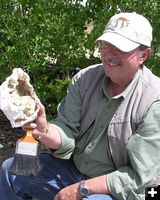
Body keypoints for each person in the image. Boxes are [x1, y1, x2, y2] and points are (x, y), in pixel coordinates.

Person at [1, 11, 160, 200]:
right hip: (74, 170)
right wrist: (44, 130)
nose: (109, 54)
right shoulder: (85, 79)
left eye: (121, 48)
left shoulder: (154, 100)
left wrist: (82, 189)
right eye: (106, 45)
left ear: (144, 55)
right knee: (10, 170)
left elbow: (141, 179)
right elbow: (67, 133)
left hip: (119, 189)